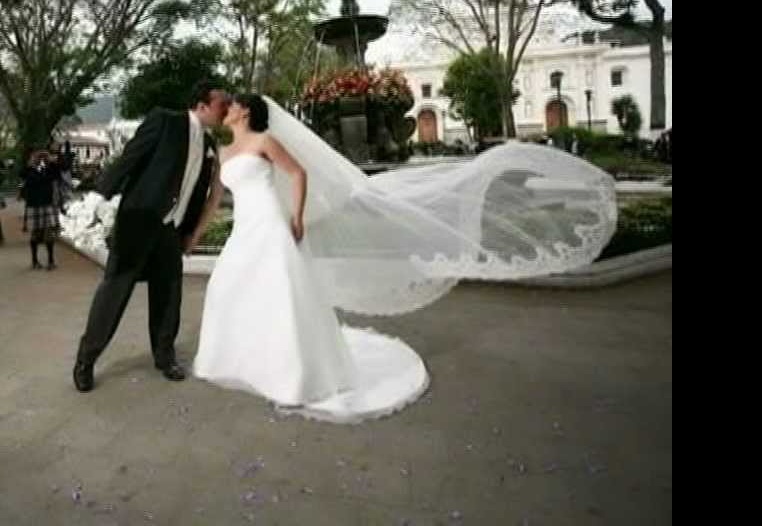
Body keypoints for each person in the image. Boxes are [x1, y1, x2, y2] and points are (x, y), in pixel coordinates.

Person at [185, 95, 617, 423]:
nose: (230, 107)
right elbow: (214, 200)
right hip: (245, 229)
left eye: (236, 104)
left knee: (282, 296)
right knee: (232, 289)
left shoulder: (265, 140)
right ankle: (237, 359)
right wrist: (194, 236)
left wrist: (296, 216)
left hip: (273, 226)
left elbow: (298, 174)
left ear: (246, 113)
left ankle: (293, 374)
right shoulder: (224, 154)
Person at [72, 81, 231, 392]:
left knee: (169, 293)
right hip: (139, 222)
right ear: (201, 105)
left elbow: (197, 194)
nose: (225, 109)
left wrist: (189, 233)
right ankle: (86, 359)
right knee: (114, 292)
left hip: (170, 231)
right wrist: (99, 194)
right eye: (221, 104)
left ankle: (165, 355)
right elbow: (130, 158)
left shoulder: (211, 146)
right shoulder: (165, 121)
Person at [21, 149, 62, 269]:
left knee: (49, 233)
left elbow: (58, 174)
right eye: (38, 157)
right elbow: (22, 178)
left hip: (47, 203)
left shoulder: (49, 169)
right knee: (35, 233)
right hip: (34, 203)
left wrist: (52, 161)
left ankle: (50, 261)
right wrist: (30, 165)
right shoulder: (29, 170)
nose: (40, 159)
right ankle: (34, 261)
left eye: (42, 157)